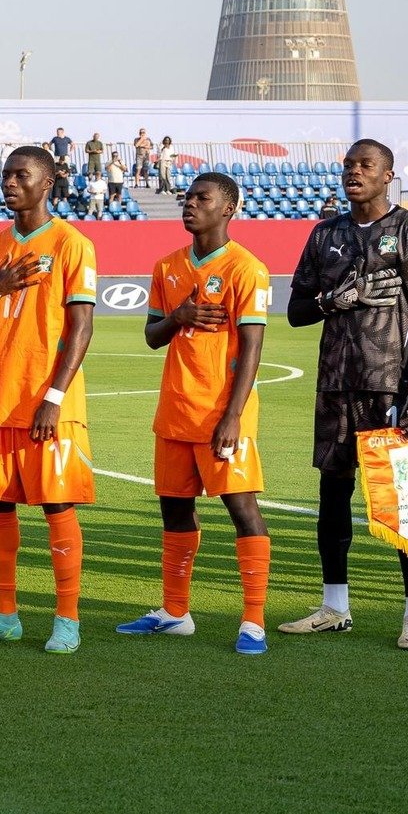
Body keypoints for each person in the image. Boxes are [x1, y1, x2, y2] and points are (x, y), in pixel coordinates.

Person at [280, 139, 408, 649]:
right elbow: (297, 311)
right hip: (336, 384)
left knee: (404, 500)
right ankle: (335, 607)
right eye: (349, 165)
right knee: (333, 496)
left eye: (366, 165)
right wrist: (338, 298)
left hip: (393, 387)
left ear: (388, 175)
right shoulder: (324, 233)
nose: (355, 172)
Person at [0, 147, 98, 654]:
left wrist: (54, 396)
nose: (9, 182)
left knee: (57, 504)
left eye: (21, 174)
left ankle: (68, 619)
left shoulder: (73, 244)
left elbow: (81, 327)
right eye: (6, 174)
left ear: (48, 181)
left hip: (47, 401)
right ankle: (3, 614)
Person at [117, 173, 273, 654]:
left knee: (242, 509)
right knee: (174, 510)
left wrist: (233, 414)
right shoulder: (167, 266)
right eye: (187, 198)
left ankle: (253, 620)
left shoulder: (247, 268)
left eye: (202, 199)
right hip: (176, 411)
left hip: (223, 413)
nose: (190, 205)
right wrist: (178, 317)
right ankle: (176, 612)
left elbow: (252, 347)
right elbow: (151, 335)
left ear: (229, 208)